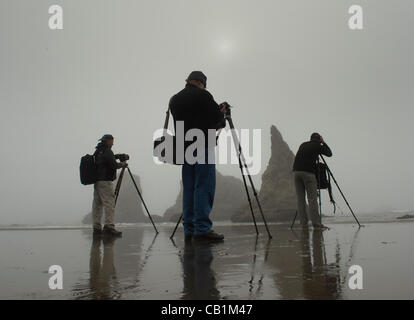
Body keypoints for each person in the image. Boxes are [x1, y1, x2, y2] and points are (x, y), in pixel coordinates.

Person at [169, 71, 226, 242]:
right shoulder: (203, 95)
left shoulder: (175, 99)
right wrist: (221, 111)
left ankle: (189, 228)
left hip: (185, 148)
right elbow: (217, 119)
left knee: (189, 188)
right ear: (201, 83)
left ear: (188, 81)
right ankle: (202, 229)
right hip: (202, 145)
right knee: (204, 186)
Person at [292, 133, 332, 230]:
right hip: (308, 173)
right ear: (319, 139)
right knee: (312, 199)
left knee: (300, 199)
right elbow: (329, 153)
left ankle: (304, 225)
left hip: (296, 172)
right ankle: (316, 224)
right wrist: (323, 142)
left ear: (310, 139)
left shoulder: (303, 144)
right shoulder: (317, 145)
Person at [92, 134, 128, 237]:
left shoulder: (98, 151)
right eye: (112, 141)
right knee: (109, 203)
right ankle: (109, 227)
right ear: (108, 141)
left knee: (97, 204)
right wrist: (122, 164)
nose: (113, 143)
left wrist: (115, 156)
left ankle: (96, 228)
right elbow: (114, 165)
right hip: (105, 181)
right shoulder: (107, 151)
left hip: (97, 181)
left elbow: (105, 161)